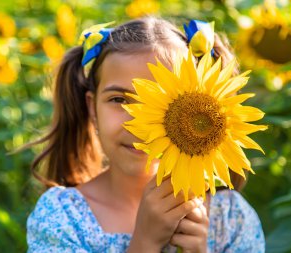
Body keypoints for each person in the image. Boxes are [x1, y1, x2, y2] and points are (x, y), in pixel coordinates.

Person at [26, 17, 265, 253]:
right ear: (92, 108)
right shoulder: (61, 218)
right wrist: (144, 243)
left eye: (164, 101)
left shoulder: (230, 218)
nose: (139, 123)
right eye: (119, 99)